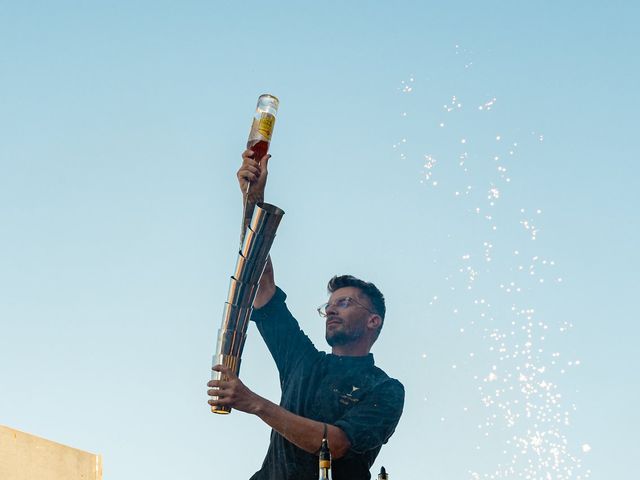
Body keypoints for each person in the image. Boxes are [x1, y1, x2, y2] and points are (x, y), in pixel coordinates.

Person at [207, 150, 404, 479]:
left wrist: (255, 403)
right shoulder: (304, 362)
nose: (330, 309)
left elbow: (335, 444)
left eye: (345, 303)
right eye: (329, 304)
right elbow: (262, 283)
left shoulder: (384, 389)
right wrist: (252, 197)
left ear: (374, 320)